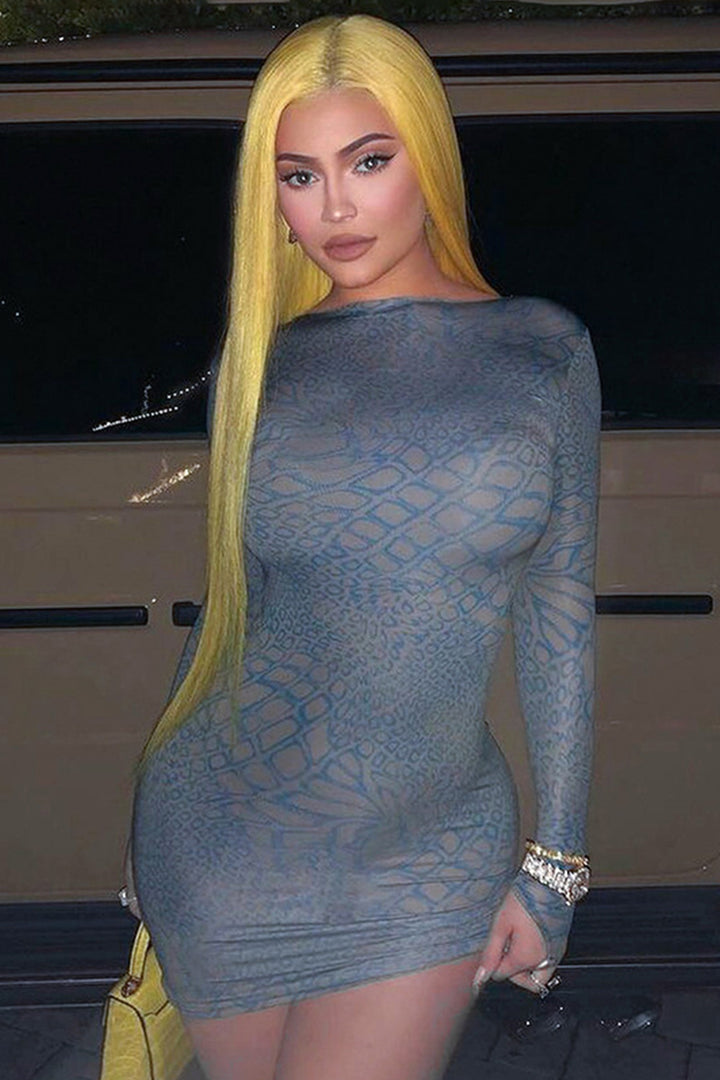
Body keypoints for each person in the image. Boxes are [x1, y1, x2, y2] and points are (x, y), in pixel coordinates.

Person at [128, 13, 601, 1080]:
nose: (334, 207)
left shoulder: (543, 349)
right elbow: (235, 608)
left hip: (426, 858)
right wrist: (141, 850)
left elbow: (559, 614)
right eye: (299, 177)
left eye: (368, 162)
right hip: (220, 848)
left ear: (427, 158)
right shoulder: (261, 365)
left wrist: (556, 867)